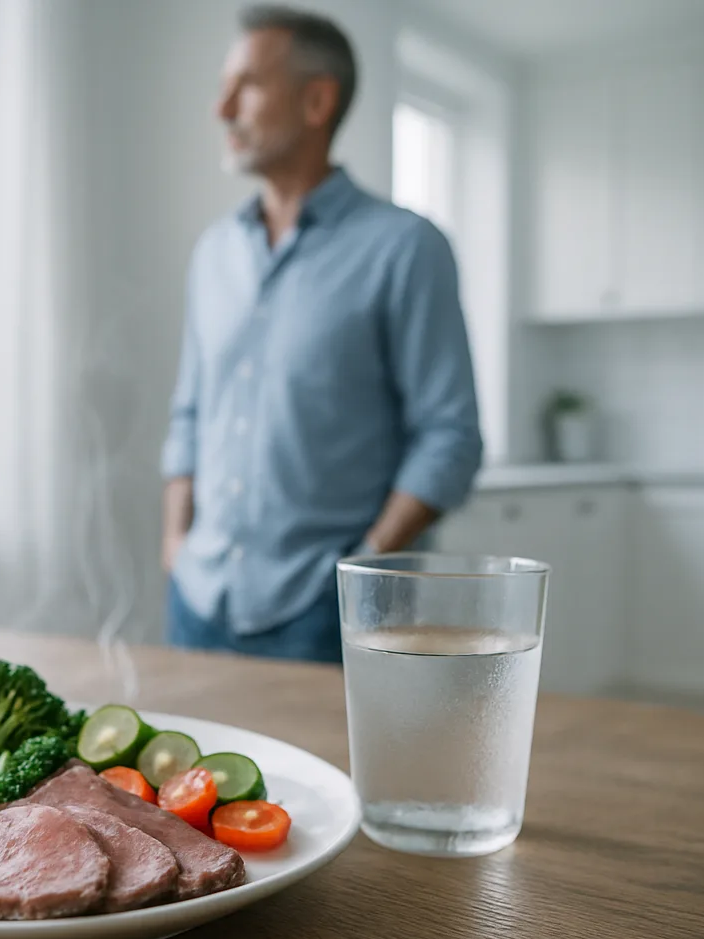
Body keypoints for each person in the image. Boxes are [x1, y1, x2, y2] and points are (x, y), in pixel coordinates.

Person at [160, 4, 482, 664]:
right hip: (197, 600)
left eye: (246, 85)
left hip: (325, 613)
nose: (222, 108)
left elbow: (449, 436)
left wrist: (364, 564)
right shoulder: (214, 252)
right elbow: (190, 413)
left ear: (316, 101)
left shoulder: (406, 248)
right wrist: (175, 545)